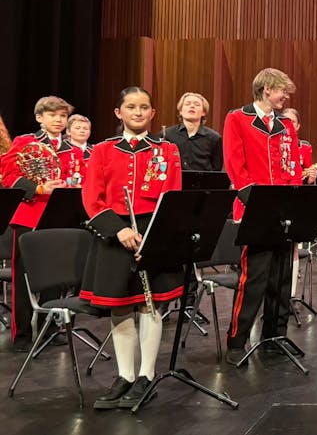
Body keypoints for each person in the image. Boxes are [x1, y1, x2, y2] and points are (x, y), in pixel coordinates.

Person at [80, 87, 183, 409]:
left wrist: (153, 236)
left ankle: (146, 374)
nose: (137, 113)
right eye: (131, 107)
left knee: (150, 306)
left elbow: (173, 195)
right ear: (118, 112)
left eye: (144, 108)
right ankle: (124, 375)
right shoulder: (102, 150)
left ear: (153, 113)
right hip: (114, 234)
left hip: (153, 231)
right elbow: (91, 198)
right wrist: (119, 229)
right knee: (120, 305)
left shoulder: (167, 150)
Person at [222, 68, 303, 364]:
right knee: (253, 278)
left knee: (281, 278)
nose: (286, 96)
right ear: (267, 89)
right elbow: (234, 165)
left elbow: (292, 164)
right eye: (283, 90)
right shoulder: (237, 118)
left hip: (283, 212)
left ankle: (274, 336)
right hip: (253, 209)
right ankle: (237, 341)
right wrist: (255, 202)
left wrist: (292, 202)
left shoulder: (286, 125)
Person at [0, 96, 86, 351]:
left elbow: (80, 177)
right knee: (24, 277)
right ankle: (23, 334)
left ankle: (49, 330)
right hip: (29, 216)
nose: (58, 120)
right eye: (53, 115)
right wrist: (38, 187)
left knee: (56, 278)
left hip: (60, 218)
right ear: (40, 117)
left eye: (62, 116)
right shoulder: (25, 142)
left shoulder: (72, 149)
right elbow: (8, 175)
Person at [163, 92, 223, 171]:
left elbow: (216, 169)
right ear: (180, 111)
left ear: (203, 112)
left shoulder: (214, 138)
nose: (192, 106)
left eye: (197, 104)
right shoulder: (167, 135)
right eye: (187, 104)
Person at [280, 108, 317, 184]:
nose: (289, 123)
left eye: (293, 121)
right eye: (285, 121)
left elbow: (308, 177)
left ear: (298, 126)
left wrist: (310, 178)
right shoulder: (272, 144)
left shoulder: (305, 147)